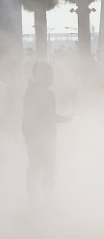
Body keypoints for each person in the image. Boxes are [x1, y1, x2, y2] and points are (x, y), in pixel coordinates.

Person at [22, 61, 70, 209]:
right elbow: (41, 115)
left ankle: (40, 201)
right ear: (39, 75)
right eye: (48, 73)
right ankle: (42, 202)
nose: (51, 76)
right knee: (43, 167)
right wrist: (62, 119)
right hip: (40, 136)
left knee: (40, 167)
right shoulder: (38, 93)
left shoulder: (36, 91)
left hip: (40, 135)